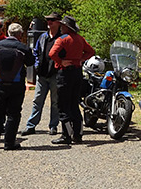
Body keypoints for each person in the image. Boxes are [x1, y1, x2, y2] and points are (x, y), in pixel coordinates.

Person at [0, 23, 34, 150]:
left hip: (0, 84)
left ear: (8, 32)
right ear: (20, 34)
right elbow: (31, 63)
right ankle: (9, 143)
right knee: (14, 114)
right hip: (16, 85)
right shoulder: (23, 47)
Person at [49, 15, 95, 145]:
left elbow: (52, 54)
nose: (61, 28)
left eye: (63, 26)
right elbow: (91, 51)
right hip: (77, 72)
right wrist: (80, 59)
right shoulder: (80, 39)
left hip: (64, 74)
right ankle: (78, 134)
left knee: (63, 104)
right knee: (74, 104)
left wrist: (61, 61)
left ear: (66, 27)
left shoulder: (62, 39)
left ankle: (66, 135)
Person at [21, 12, 62, 136]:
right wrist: (37, 65)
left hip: (55, 74)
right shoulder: (43, 37)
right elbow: (36, 52)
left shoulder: (62, 38)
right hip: (42, 75)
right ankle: (31, 126)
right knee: (37, 100)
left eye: (52, 20)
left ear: (58, 22)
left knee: (55, 102)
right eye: (48, 20)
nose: (49, 22)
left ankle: (53, 126)